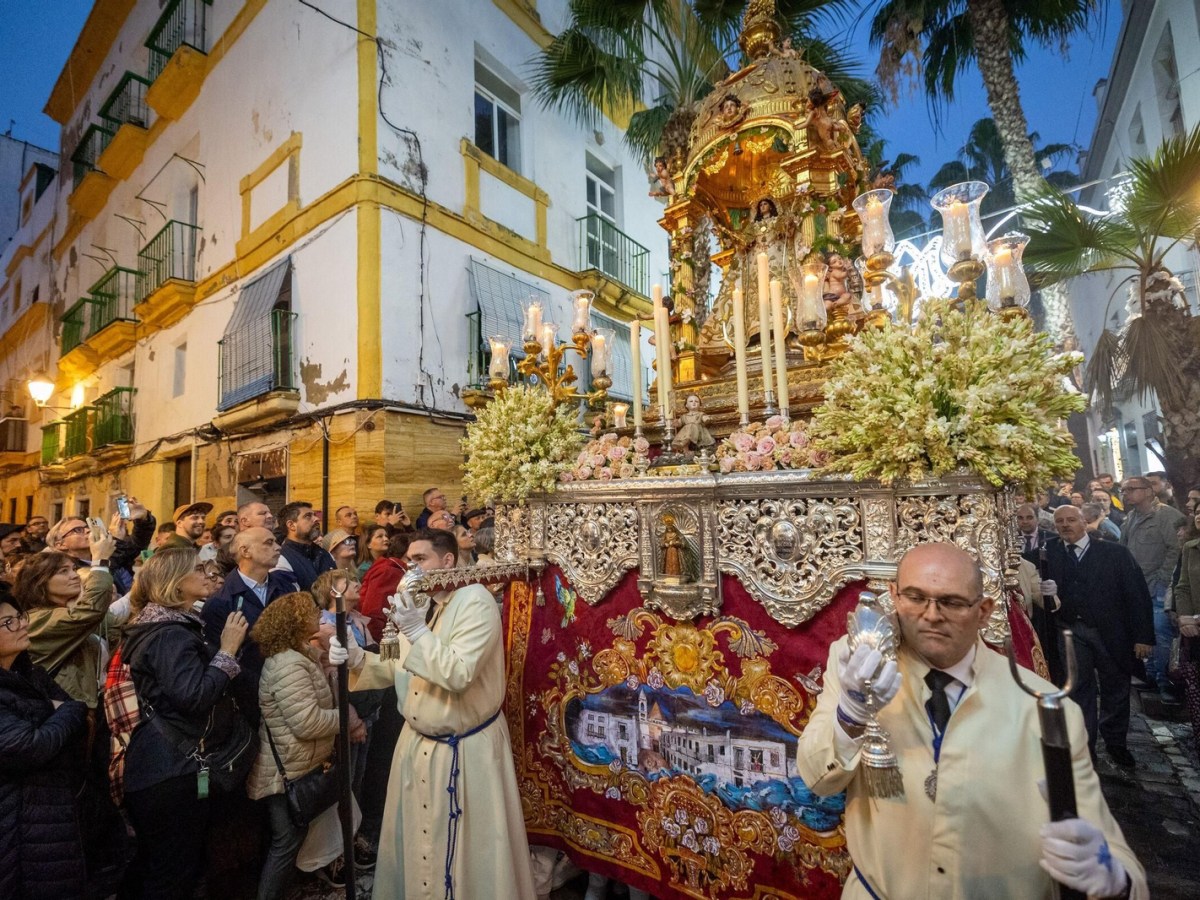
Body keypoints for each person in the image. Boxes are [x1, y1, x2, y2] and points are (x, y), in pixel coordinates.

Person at [795, 542, 1147, 899]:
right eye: (916, 597)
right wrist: (851, 716)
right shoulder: (859, 666)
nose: (931, 615)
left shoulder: (1041, 708)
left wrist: (1114, 882)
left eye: (951, 602)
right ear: (894, 596)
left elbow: (1109, 849)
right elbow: (818, 778)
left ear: (983, 611)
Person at [330, 529, 536, 898]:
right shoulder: (421, 604)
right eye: (408, 560)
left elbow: (458, 673)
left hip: (465, 751)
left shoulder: (474, 601)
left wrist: (416, 631)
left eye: (420, 559)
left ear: (448, 561)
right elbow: (399, 666)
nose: (411, 568)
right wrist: (360, 659)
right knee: (415, 849)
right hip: (415, 746)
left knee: (469, 858)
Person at [121, 549, 250, 900]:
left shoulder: (169, 626)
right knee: (172, 875)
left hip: (164, 768)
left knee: (160, 865)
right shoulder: (169, 634)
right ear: (175, 585)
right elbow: (193, 696)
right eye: (198, 569)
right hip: (169, 771)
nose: (208, 574)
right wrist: (227, 649)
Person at [247, 591, 353, 895]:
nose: (319, 614)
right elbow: (306, 723)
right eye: (311, 611)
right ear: (294, 622)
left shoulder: (300, 656)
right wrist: (345, 719)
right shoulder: (288, 664)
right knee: (285, 845)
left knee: (292, 841)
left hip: (300, 763)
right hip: (287, 772)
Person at [1040, 505, 1154, 766]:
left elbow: (1137, 595)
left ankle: (1115, 742)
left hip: (1111, 633)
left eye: (1071, 520)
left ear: (1084, 522)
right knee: (1078, 689)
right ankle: (1084, 745)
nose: (1065, 525)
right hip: (1069, 630)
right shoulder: (1047, 554)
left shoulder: (1115, 553)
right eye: (1060, 521)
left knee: (1115, 687)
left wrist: (1143, 637)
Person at [0, 592, 90, 900]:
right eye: (8, 622)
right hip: (19, 816)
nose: (22, 625)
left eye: (20, 617)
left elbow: (74, 714)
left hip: (54, 807)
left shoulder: (31, 674)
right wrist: (68, 711)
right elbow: (29, 746)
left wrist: (66, 711)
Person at [202, 527, 299, 724]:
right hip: (250, 702)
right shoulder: (221, 602)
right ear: (246, 551)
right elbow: (219, 657)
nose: (278, 547)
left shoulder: (285, 588)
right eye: (268, 543)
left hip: (291, 689)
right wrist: (261, 686)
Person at [19, 544, 116, 706]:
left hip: (80, 707)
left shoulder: (65, 611)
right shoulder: (35, 619)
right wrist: (100, 563)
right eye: (63, 571)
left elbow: (113, 621)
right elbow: (90, 611)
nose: (75, 576)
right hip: (60, 710)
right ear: (39, 582)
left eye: (73, 569)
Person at [1120, 475, 1186, 699]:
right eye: (1124, 490)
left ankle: (1166, 682)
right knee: (1144, 634)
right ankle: (1151, 677)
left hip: (1159, 587)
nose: (1126, 493)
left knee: (1161, 635)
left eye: (1131, 489)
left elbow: (1175, 550)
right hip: (1137, 586)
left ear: (1149, 491)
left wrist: (1162, 579)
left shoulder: (1167, 516)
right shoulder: (1130, 517)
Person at [1171, 506, 1200, 756]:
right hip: (1195, 629)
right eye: (1199, 513)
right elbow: (1182, 587)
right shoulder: (1191, 548)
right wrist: (1185, 617)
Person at [275, 502, 335, 591]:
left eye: (314, 515)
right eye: (308, 516)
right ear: (291, 525)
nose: (316, 519)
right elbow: (290, 601)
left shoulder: (325, 554)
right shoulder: (281, 559)